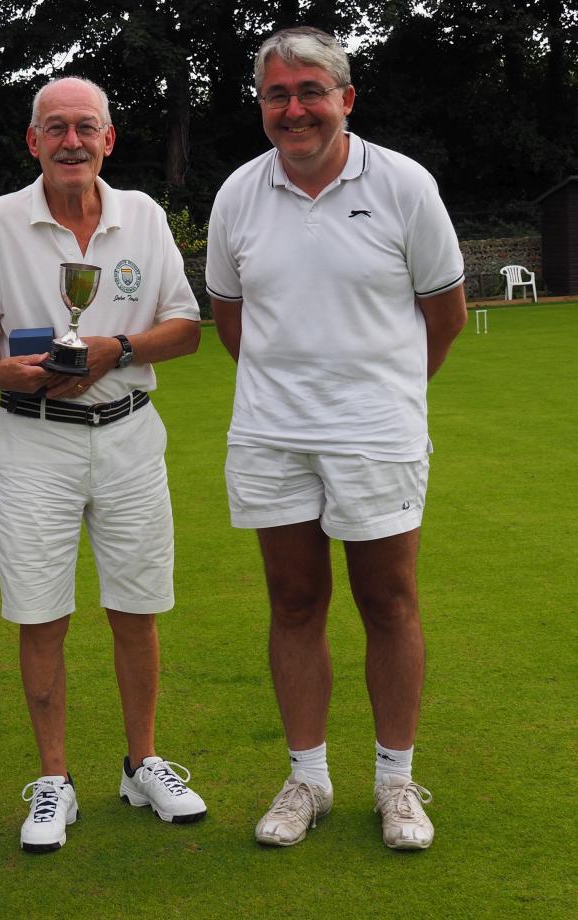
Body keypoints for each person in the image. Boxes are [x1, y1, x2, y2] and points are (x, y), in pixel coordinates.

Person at [206, 27, 466, 851]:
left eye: (310, 91)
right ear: (261, 107)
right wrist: (291, 392)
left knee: (387, 603)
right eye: (277, 95)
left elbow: (445, 315)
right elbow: (230, 317)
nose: (294, 109)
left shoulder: (402, 184)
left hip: (375, 435)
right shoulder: (236, 195)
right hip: (271, 435)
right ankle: (308, 780)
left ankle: (395, 782)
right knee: (292, 602)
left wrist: (383, 398)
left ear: (344, 98)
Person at [0, 76, 207, 853]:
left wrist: (116, 349)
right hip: (34, 438)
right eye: (55, 128)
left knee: (137, 606)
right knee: (41, 613)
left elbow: (186, 325)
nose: (71, 141)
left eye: (85, 127)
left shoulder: (143, 216)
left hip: (129, 431)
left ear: (109, 139)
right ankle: (54, 781)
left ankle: (142, 763)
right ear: (32, 141)